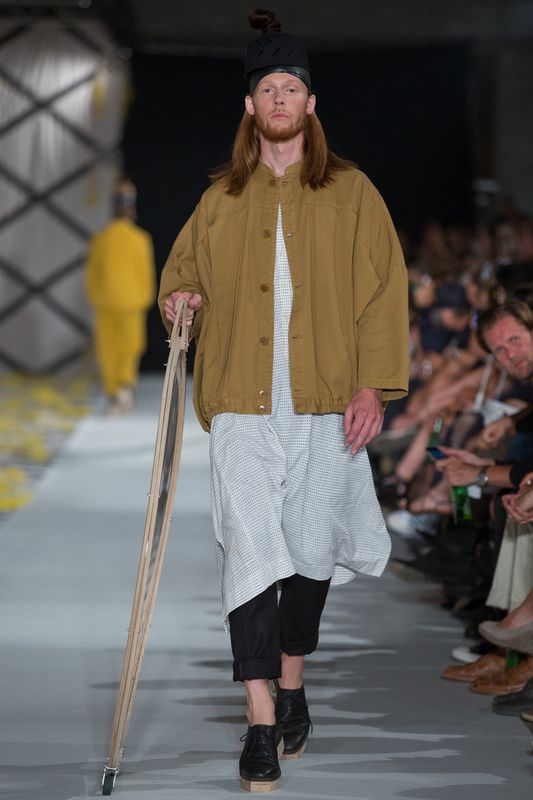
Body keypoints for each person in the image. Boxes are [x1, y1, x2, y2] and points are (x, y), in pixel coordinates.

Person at [158, 9, 409, 792]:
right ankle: (261, 718)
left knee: (307, 552)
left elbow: (384, 293)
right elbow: (180, 275)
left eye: (290, 88)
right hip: (240, 401)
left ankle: (292, 679)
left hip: (324, 402)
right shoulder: (219, 199)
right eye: (266, 88)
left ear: (309, 102)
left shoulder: (352, 193)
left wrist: (371, 384)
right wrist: (180, 302)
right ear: (249, 105)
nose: (278, 99)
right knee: (249, 549)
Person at [85, 179, 155, 414]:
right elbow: (145, 273)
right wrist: (144, 298)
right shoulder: (140, 239)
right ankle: (124, 386)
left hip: (106, 302)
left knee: (108, 348)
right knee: (130, 347)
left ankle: (114, 391)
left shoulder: (101, 239)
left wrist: (96, 297)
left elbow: (92, 274)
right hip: (132, 303)